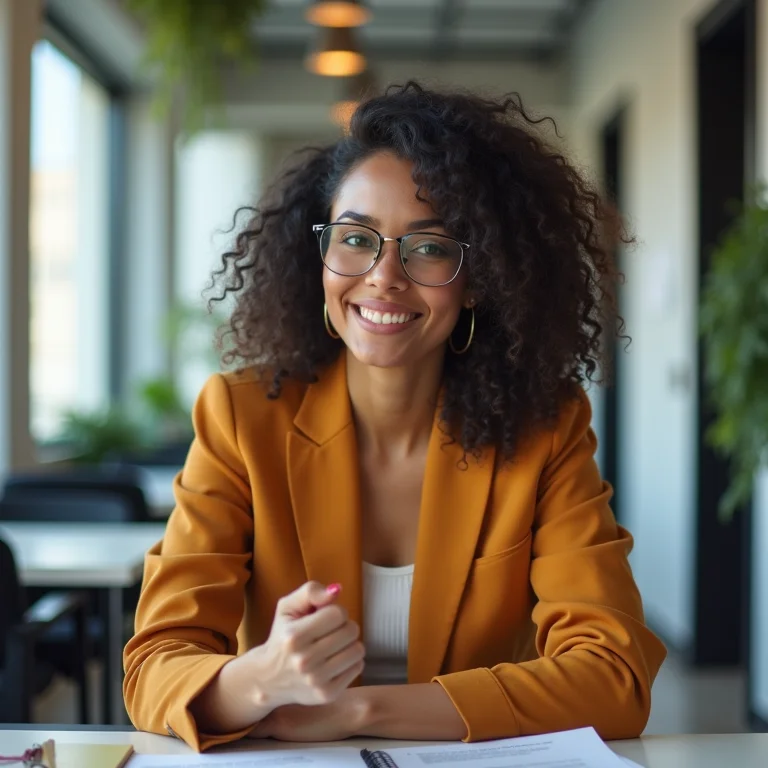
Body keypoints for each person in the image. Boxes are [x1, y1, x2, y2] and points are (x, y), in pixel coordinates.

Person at [123, 82, 666, 752]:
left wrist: (357, 711)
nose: (384, 276)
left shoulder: (544, 429)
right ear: (320, 256)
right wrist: (260, 681)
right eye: (356, 238)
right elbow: (154, 670)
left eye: (430, 247)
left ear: (479, 279)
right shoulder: (241, 418)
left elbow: (614, 678)